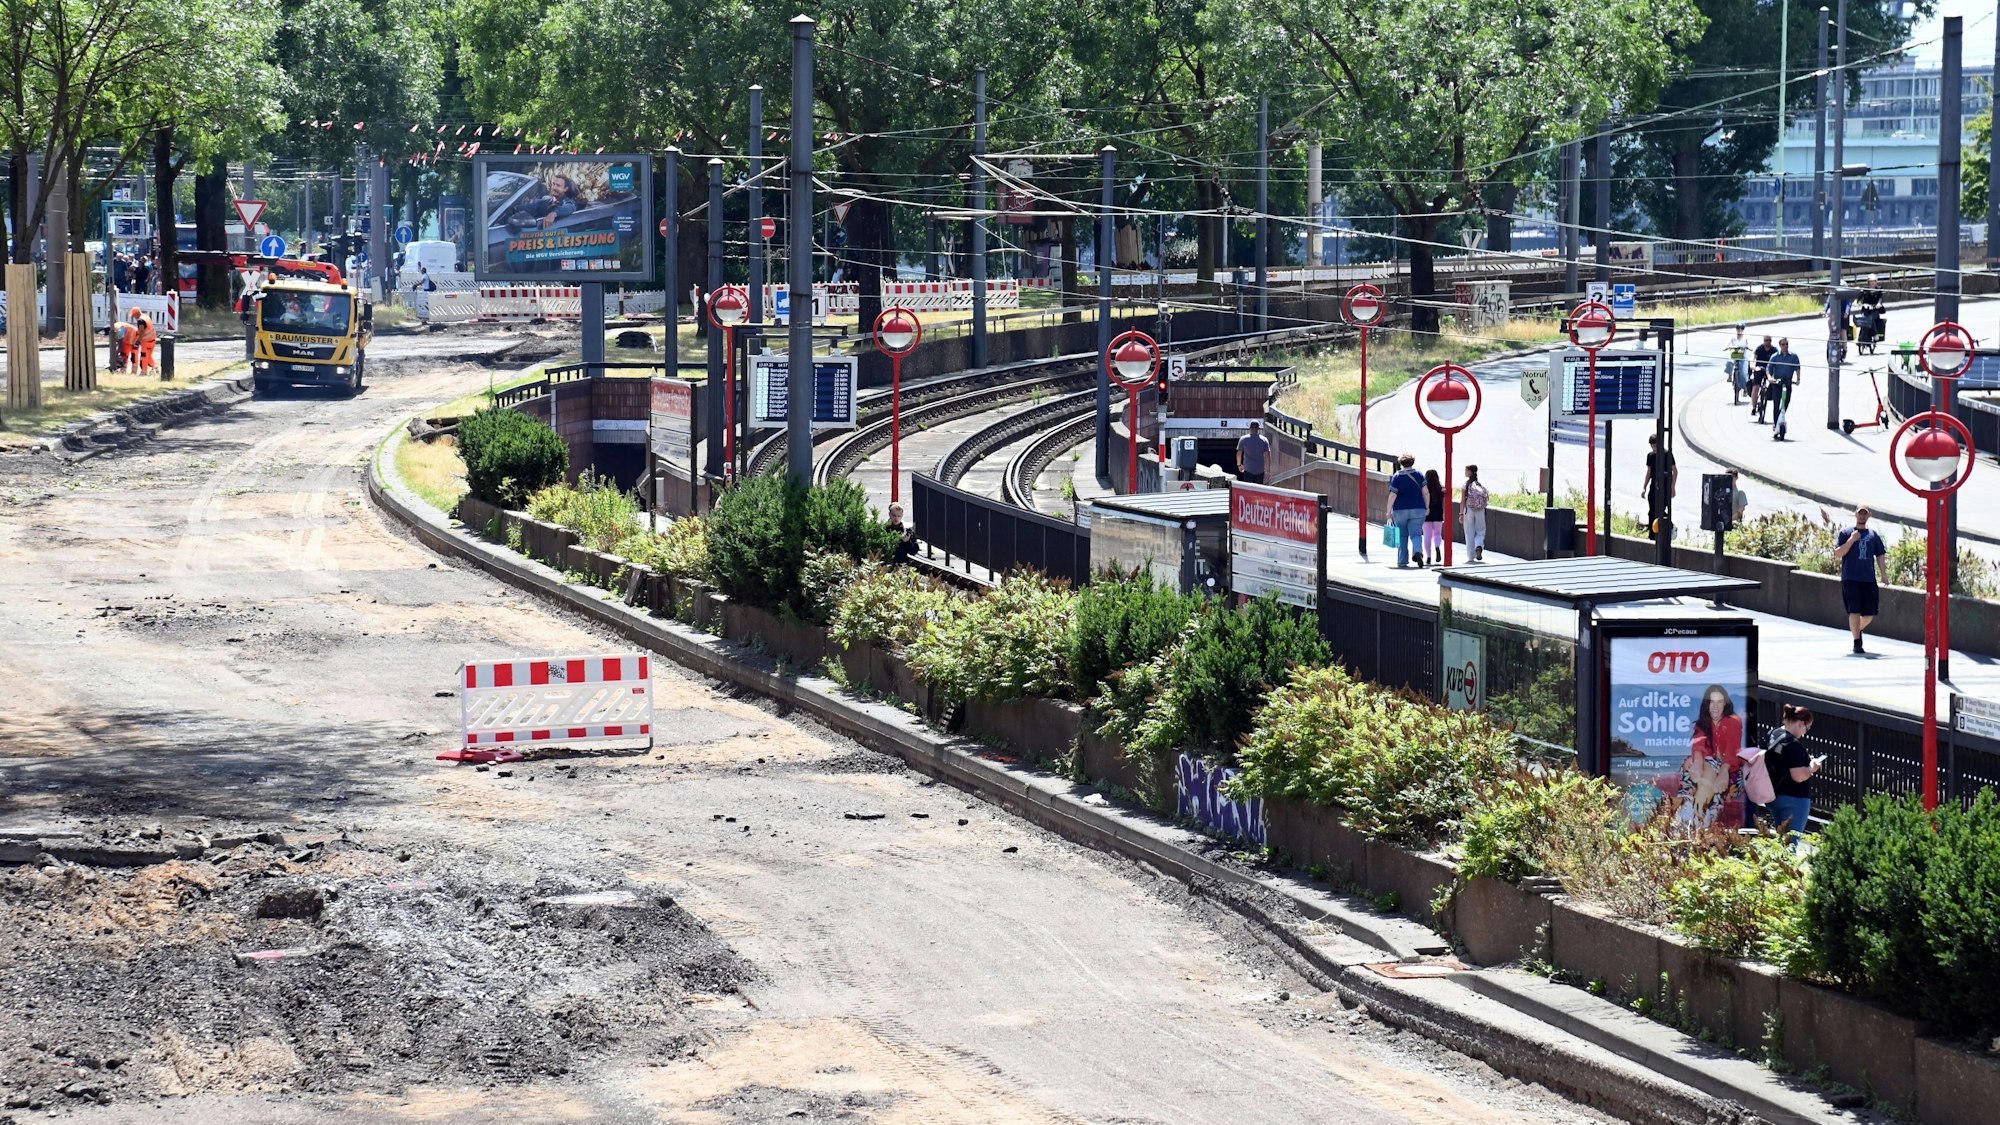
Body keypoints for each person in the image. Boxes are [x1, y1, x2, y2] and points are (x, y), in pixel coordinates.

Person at [1677, 684, 1745, 830]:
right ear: (1707, 704)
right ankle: (1699, 812)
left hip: (1730, 773)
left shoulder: (1733, 721)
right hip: (1707, 768)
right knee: (1689, 764)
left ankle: (1695, 812)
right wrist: (1696, 761)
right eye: (1712, 702)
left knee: (1708, 767)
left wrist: (1724, 771)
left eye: (1719, 701)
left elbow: (1732, 750)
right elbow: (1699, 745)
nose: (1715, 706)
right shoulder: (1703, 722)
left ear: (1725, 703)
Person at [1833, 505, 1889, 654]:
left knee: (1869, 614)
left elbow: (1880, 555)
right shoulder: (1846, 533)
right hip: (1850, 578)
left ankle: (1856, 629)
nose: (1862, 516)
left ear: (1869, 515)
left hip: (1868, 579)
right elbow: (1838, 553)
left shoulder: (1873, 535)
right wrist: (1852, 540)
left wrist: (1884, 574)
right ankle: (1857, 642)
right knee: (1855, 610)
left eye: (1865, 514)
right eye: (1860, 513)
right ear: (1855, 514)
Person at [1763, 703, 1823, 844]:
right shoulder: (1792, 744)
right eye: (1807, 728)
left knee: (1779, 841)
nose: (1805, 733)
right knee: (1790, 842)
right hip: (1794, 799)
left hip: (1774, 794)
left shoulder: (1772, 734)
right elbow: (1798, 776)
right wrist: (1812, 767)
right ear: (1801, 724)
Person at [1388, 454, 1428, 569]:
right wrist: (1427, 506)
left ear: (1401, 463)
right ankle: (1418, 552)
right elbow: (1425, 492)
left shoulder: (1397, 477)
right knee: (1416, 534)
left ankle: (1402, 560)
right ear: (1412, 463)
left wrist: (1388, 511)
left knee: (1402, 536)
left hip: (1400, 510)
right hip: (1418, 509)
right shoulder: (1419, 475)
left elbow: (1392, 495)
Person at [1642, 432, 1677, 533]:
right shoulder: (1650, 456)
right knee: (1652, 511)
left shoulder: (1667, 454)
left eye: (1655, 445)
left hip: (1665, 487)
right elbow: (1649, 472)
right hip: (1654, 486)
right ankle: (1652, 533)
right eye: (1652, 446)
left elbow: (1675, 471)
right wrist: (1644, 487)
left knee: (1661, 511)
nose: (1654, 448)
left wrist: (1672, 487)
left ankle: (1669, 529)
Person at [1767, 338, 1800, 440]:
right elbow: (1769, 369)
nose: (1785, 346)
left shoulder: (1793, 356)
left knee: (1786, 402)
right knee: (1776, 403)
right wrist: (1770, 378)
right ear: (1780, 345)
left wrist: (1798, 379)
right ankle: (1776, 424)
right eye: (1783, 344)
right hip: (1777, 383)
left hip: (1787, 382)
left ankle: (1780, 419)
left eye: (1786, 344)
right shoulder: (1775, 356)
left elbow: (1797, 368)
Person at [1461, 464, 1489, 562]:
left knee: (1469, 532)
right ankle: (1479, 546)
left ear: (1470, 472)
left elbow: (1463, 501)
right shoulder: (1479, 485)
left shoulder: (1465, 485)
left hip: (1469, 510)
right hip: (1480, 510)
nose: (1465, 472)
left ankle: (1470, 556)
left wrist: (1461, 514)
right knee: (1480, 530)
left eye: (1466, 470)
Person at [1421, 469, 1446, 566]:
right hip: (1438, 513)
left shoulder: (1424, 489)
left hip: (1426, 514)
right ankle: (1437, 547)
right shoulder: (1440, 489)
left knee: (1427, 536)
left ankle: (1428, 557)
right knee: (1437, 534)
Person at [1751, 335, 1777, 422]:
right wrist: (1753, 366)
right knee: (1756, 388)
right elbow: (1753, 358)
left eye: (1769, 340)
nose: (1767, 342)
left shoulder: (1774, 350)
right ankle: (1754, 408)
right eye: (1766, 340)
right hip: (1759, 369)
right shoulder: (1759, 349)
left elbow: (1777, 360)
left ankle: (1768, 396)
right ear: (1763, 341)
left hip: (1769, 370)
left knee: (1773, 384)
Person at [1725, 325, 1751, 405]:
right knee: (1729, 362)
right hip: (1735, 355)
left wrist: (1749, 347)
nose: (1740, 330)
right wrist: (1727, 347)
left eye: (1742, 328)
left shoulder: (1745, 338)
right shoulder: (1733, 338)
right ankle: (1730, 376)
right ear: (1736, 329)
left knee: (1744, 373)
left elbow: (1749, 345)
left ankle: (1745, 388)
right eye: (1738, 328)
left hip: (1743, 357)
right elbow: (1728, 344)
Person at [887, 503, 916, 568]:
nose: (896, 518)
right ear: (889, 515)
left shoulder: (906, 530)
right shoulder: (885, 529)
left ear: (902, 516)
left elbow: (913, 552)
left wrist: (907, 542)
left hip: (901, 564)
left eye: (899, 516)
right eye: (894, 515)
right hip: (887, 563)